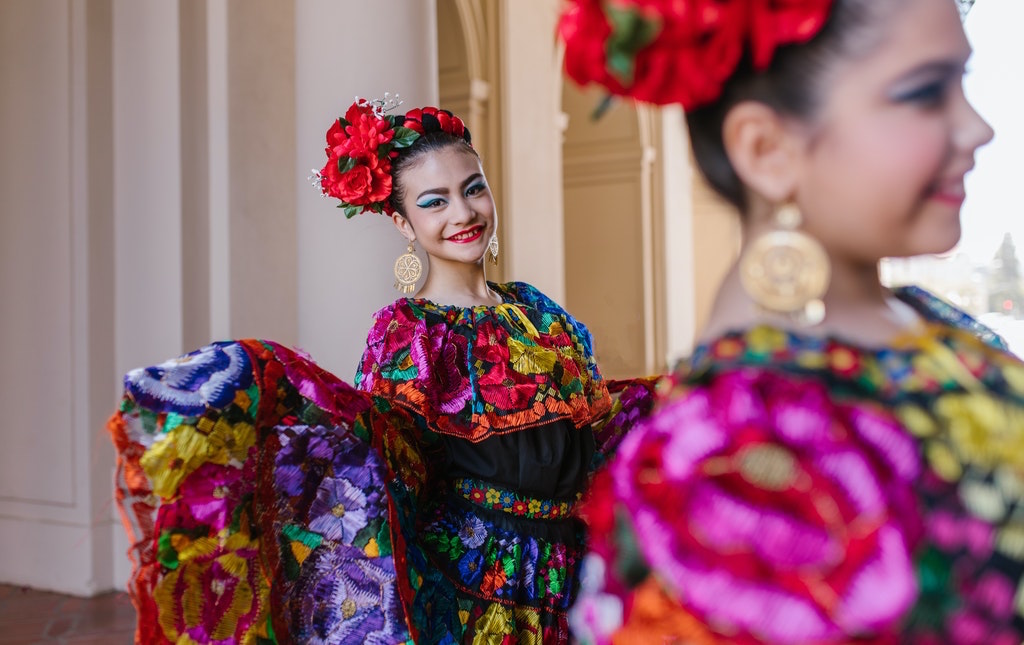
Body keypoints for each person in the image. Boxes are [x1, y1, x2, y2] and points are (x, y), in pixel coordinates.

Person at [108, 98, 656, 644]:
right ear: (402, 221)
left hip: (574, 570)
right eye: (434, 201)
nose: (463, 214)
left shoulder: (536, 310)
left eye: (473, 188)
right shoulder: (409, 331)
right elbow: (390, 455)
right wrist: (266, 382)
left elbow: (587, 432)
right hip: (475, 590)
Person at [559, 0, 1024, 643]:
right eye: (925, 93)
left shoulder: (923, 316)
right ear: (767, 149)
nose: (977, 128)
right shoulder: (728, 457)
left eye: (962, 84)